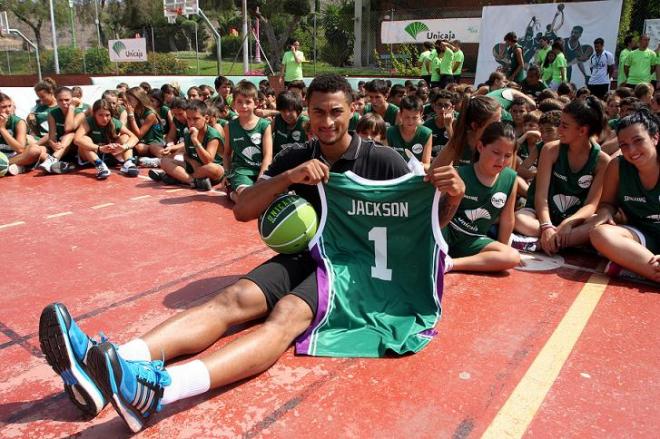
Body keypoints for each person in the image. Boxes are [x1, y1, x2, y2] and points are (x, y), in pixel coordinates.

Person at [38, 74, 465, 433]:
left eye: (336, 111)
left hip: (353, 273)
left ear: (351, 109)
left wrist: (453, 198)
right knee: (232, 299)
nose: (328, 121)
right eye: (319, 112)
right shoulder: (299, 154)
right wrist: (291, 176)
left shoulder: (385, 160)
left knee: (285, 319)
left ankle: (162, 390)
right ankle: (109, 364)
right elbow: (243, 209)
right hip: (309, 254)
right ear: (308, 114)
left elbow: (423, 227)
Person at [514, 97, 610, 254]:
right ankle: (562, 242)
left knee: (599, 227)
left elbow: (591, 205)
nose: (559, 130)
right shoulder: (550, 150)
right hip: (542, 216)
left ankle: (542, 243)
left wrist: (569, 222)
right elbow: (541, 197)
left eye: (564, 126)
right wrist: (546, 226)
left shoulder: (602, 161)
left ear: (582, 130)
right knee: (519, 219)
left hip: (574, 220)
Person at [589, 108, 660, 282]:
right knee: (599, 234)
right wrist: (605, 212)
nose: (632, 150)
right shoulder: (617, 167)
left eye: (638, 140)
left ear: (655, 138)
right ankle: (650, 270)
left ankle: (639, 269)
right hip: (642, 236)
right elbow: (607, 203)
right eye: (624, 145)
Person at [443, 122, 520, 272]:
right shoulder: (459, 174)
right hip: (447, 234)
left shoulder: (510, 178)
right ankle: (440, 255)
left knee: (511, 256)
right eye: (496, 153)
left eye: (508, 156)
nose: (501, 160)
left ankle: (449, 264)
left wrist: (500, 253)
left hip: (474, 240)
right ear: (480, 147)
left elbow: (507, 219)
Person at [151, 100, 224, 191]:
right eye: (189, 119)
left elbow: (207, 161)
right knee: (164, 161)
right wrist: (192, 162)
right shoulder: (188, 133)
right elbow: (186, 154)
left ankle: (177, 177)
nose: (191, 122)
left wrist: (195, 140)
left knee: (214, 169)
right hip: (194, 168)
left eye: (196, 119)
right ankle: (192, 181)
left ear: (206, 118)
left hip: (208, 170)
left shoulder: (212, 135)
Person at [223, 80, 273, 202]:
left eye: (248, 102)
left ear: (256, 103)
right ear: (234, 104)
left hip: (261, 170)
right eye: (239, 102)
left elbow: (268, 155)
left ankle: (234, 193)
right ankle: (232, 193)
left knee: (270, 198)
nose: (244, 106)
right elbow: (227, 154)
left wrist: (262, 178)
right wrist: (226, 174)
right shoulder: (230, 126)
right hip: (240, 171)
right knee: (249, 199)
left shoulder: (264, 125)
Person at [74, 99, 140, 180]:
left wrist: (124, 147)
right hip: (91, 156)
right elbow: (76, 139)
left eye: (107, 115)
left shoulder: (115, 122)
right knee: (84, 139)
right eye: (100, 115)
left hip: (109, 155)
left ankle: (128, 163)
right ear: (94, 114)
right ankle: (100, 165)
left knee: (125, 136)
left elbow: (135, 138)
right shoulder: (88, 121)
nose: (104, 118)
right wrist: (99, 148)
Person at [434, 95, 502, 167]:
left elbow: (509, 177)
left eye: (501, 119)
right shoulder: (459, 142)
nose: (501, 125)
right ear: (475, 126)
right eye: (496, 122)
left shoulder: (501, 145)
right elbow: (431, 173)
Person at [385, 96, 433, 168]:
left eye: (415, 118)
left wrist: (419, 165)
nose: (410, 121)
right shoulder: (390, 132)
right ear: (400, 114)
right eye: (407, 117)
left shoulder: (426, 134)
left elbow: (427, 164)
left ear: (421, 115)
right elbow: (386, 160)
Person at [0, 92, 41, 175]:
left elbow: (20, 149)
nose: (8, 110)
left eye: (9, 106)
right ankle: (16, 167)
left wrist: (2, 129)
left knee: (35, 150)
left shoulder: (19, 122)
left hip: (15, 157)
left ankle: (4, 165)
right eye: (3, 107)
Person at [42, 86, 77, 174]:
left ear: (72, 99)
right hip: (61, 148)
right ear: (56, 100)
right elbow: (51, 136)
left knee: (70, 134)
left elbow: (68, 128)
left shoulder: (80, 112)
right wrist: (53, 144)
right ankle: (62, 164)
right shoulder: (53, 113)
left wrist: (72, 107)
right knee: (39, 152)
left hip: (76, 148)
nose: (64, 103)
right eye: (60, 100)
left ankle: (52, 160)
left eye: (67, 100)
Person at [124, 86, 165, 162]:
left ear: (138, 99)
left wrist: (131, 115)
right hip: (143, 142)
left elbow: (139, 134)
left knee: (142, 147)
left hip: (155, 143)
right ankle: (147, 160)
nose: (127, 103)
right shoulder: (135, 110)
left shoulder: (150, 114)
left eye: (129, 100)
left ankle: (162, 160)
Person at [272, 91, 309, 155]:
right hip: (278, 160)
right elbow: (266, 134)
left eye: (290, 110)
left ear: (298, 110)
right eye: (283, 111)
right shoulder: (277, 119)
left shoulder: (305, 123)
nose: (287, 114)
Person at [423, 89, 455, 157]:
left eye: (446, 105)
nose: (442, 109)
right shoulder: (427, 125)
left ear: (452, 108)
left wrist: (448, 127)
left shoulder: (457, 125)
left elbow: (456, 149)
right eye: (439, 105)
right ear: (434, 107)